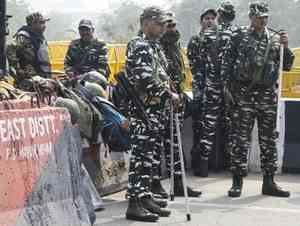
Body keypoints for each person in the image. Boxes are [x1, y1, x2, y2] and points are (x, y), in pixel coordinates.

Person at [227, 1, 294, 198]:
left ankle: (269, 182)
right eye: (258, 17)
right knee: (240, 140)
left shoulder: (274, 38)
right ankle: (237, 182)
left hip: (267, 96)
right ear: (251, 17)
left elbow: (286, 66)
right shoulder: (238, 36)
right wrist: (228, 92)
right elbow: (227, 64)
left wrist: (286, 46)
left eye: (265, 17)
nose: (262, 20)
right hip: (244, 95)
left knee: (268, 141)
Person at [125, 6, 178, 222]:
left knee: (149, 157)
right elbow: (144, 78)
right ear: (146, 23)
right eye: (160, 23)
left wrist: (171, 90)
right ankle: (134, 203)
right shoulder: (138, 45)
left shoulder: (154, 46)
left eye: (165, 23)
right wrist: (168, 95)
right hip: (143, 110)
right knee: (140, 157)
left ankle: (145, 196)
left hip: (156, 110)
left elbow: (161, 74)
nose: (164, 27)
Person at [159, 12, 201, 197]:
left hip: (177, 100)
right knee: (155, 147)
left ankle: (178, 184)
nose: (171, 28)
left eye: (173, 24)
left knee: (175, 145)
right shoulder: (155, 45)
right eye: (167, 24)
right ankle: (153, 186)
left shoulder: (174, 45)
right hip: (160, 103)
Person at [187, 8, 232, 177]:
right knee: (202, 128)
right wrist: (200, 91)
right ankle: (199, 163)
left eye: (213, 18)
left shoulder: (222, 39)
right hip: (203, 90)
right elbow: (196, 68)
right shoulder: (197, 40)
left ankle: (221, 162)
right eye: (206, 18)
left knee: (225, 126)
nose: (210, 21)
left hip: (220, 90)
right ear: (201, 21)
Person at [64, 19, 109, 89]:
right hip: (75, 81)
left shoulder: (100, 45)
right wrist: (71, 74)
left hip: (95, 81)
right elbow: (67, 63)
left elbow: (102, 68)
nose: (84, 32)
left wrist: (84, 77)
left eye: (87, 29)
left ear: (92, 30)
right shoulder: (73, 45)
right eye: (82, 30)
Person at [13, 12, 51, 90]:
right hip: (30, 81)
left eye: (44, 23)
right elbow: (24, 60)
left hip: (42, 78)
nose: (44, 26)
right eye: (41, 23)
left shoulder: (39, 37)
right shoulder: (23, 36)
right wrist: (32, 76)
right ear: (33, 24)